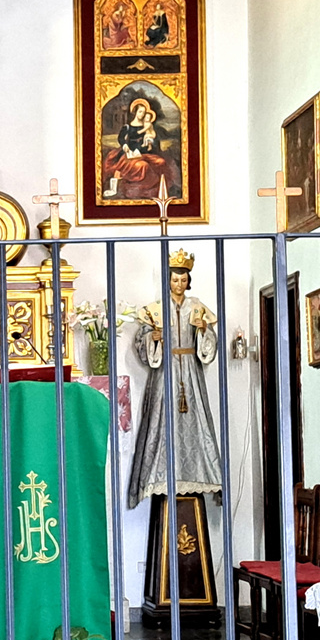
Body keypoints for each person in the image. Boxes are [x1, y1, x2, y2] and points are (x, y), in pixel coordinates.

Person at [127, 249, 223, 508]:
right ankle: (159, 475)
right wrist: (151, 339)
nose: (178, 284)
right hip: (165, 372)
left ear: (188, 281)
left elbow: (209, 346)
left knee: (198, 424)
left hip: (190, 370)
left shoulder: (197, 307)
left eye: (183, 280)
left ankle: (201, 474)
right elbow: (142, 342)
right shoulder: (155, 310)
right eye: (174, 279)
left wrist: (204, 332)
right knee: (161, 422)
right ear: (167, 281)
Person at [102, 97, 171, 200]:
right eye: (140, 112)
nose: (142, 114)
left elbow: (153, 139)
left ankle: (159, 190)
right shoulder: (128, 127)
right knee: (142, 166)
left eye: (143, 112)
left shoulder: (147, 125)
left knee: (160, 162)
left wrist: (151, 141)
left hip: (144, 153)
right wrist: (125, 146)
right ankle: (140, 190)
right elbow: (121, 138)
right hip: (130, 153)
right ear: (135, 112)